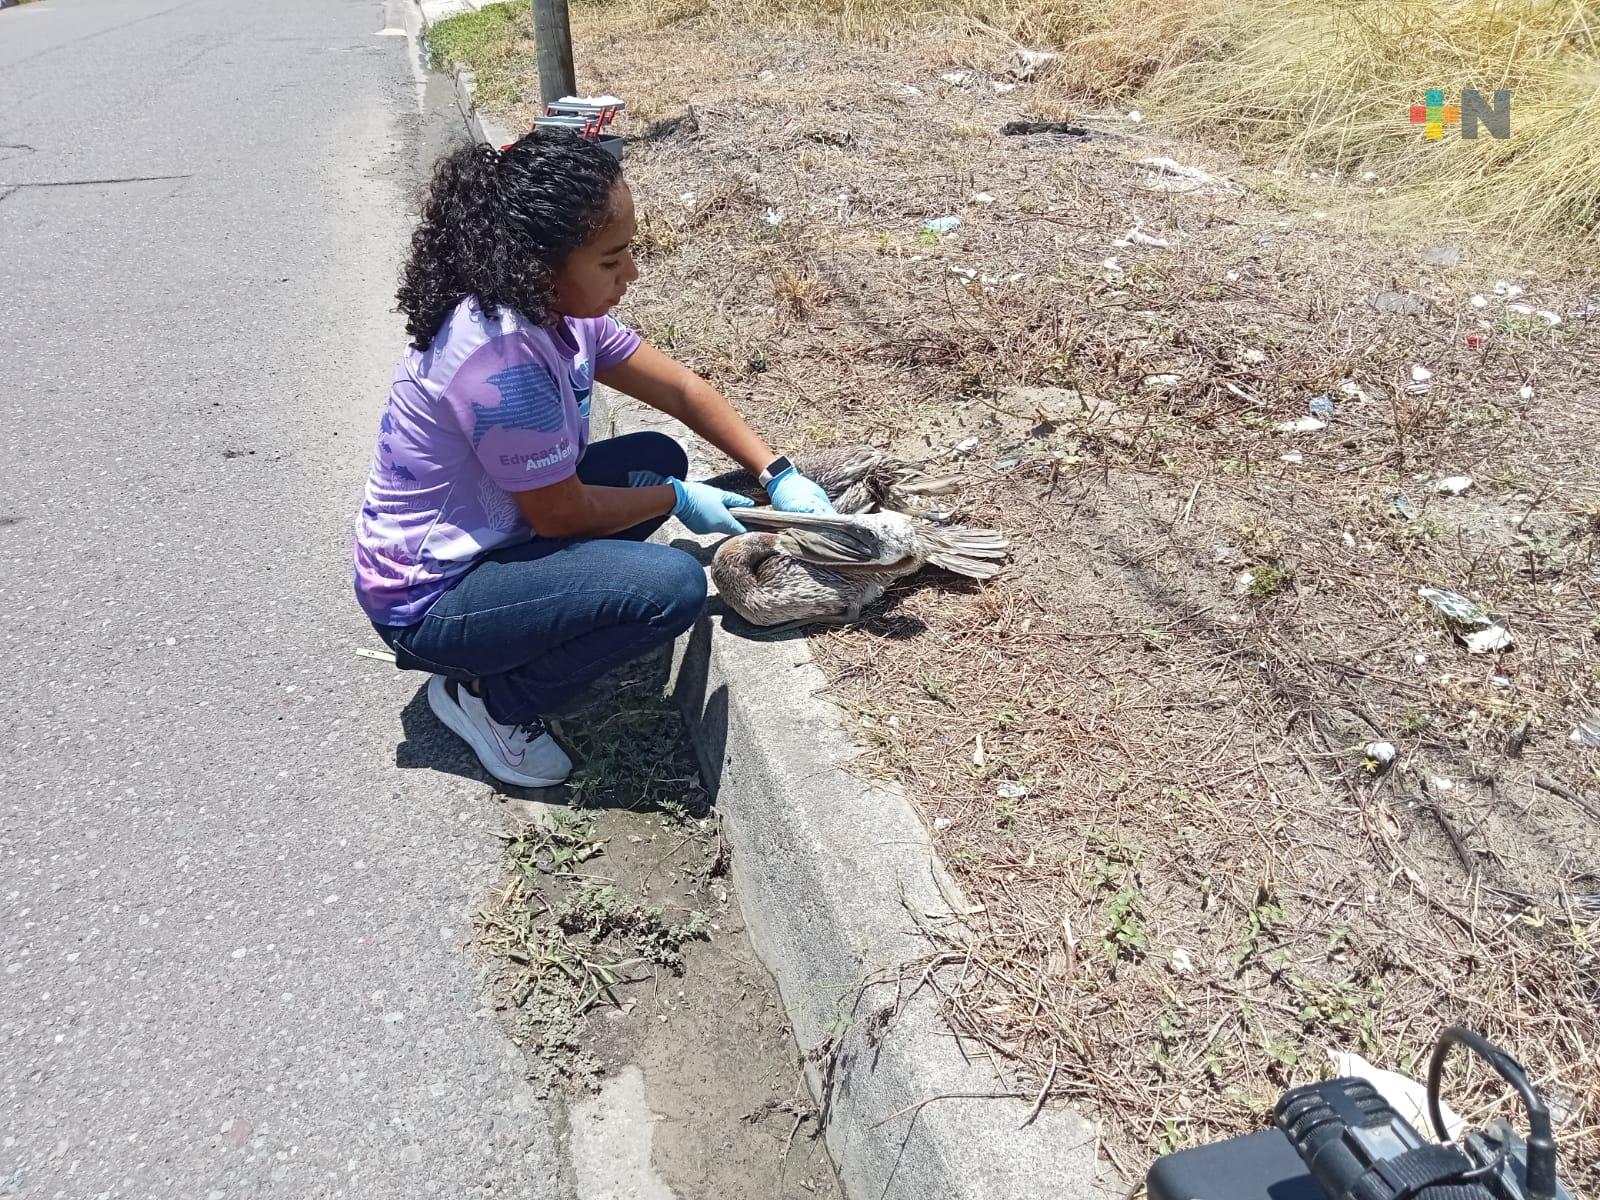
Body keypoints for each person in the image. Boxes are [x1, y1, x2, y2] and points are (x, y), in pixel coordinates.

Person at [353, 130, 836, 788]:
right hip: (427, 599)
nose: (630, 276)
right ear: (544, 259)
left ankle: (508, 633)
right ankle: (491, 704)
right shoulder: (501, 363)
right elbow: (561, 516)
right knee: (672, 589)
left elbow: (681, 390)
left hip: (491, 538)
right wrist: (676, 500)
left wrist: (777, 473)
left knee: (653, 455)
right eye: (612, 260)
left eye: (629, 251)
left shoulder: (556, 312)